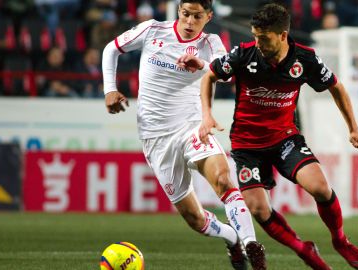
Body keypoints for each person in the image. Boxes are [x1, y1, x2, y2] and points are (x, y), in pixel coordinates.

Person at [199, 3, 358, 270]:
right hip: (247, 145)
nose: (258, 43)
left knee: (321, 188)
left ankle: (340, 240)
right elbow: (210, 76)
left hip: (285, 140)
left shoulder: (304, 59)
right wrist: (206, 115)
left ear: (282, 35)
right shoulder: (243, 55)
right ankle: (303, 249)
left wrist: (354, 128)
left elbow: (336, 87)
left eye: (263, 38)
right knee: (258, 210)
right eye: (255, 36)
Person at [101, 1, 266, 269]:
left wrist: (200, 64)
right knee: (194, 218)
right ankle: (233, 239)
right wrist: (110, 89)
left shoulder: (210, 43)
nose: (190, 22)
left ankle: (251, 245)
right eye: (185, 14)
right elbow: (111, 49)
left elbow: (224, 74)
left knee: (224, 180)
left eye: (197, 16)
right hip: (156, 138)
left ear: (208, 17)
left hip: (192, 127)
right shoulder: (152, 30)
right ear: (179, 12)